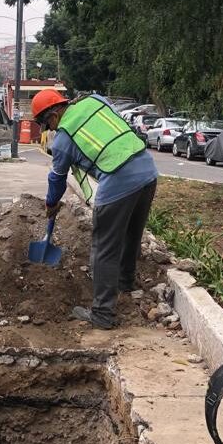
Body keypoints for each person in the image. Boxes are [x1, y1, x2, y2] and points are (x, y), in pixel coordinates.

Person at [31, 90, 158, 330]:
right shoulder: (95, 101)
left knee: (104, 248)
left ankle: (102, 313)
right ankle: (125, 283)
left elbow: (57, 178)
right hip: (147, 172)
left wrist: (51, 203)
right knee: (132, 234)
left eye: (45, 124)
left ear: (54, 114)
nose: (49, 130)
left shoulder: (63, 139)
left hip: (119, 180)